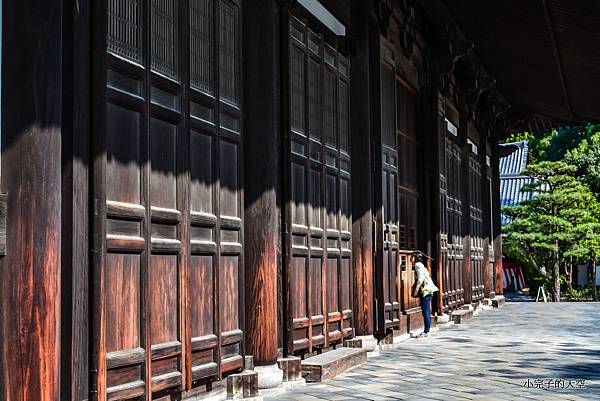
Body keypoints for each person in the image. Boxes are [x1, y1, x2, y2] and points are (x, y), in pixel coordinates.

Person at [412, 251, 438, 337]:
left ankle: (427, 331)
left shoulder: (417, 265)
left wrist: (416, 289)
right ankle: (426, 330)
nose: (410, 259)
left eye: (412, 257)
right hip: (428, 290)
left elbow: (421, 278)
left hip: (425, 290)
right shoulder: (421, 265)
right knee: (426, 311)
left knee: (426, 311)